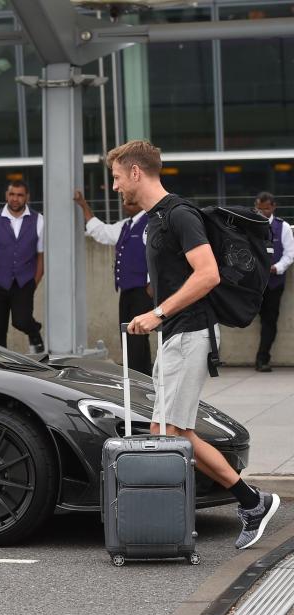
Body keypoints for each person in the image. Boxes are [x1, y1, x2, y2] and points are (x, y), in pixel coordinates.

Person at [115, 139, 280, 550]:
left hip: (188, 333)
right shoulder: (157, 219)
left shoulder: (178, 214)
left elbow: (207, 274)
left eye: (117, 178)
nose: (115, 187)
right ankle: (242, 502)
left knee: (168, 431)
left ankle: (243, 503)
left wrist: (159, 313)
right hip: (178, 334)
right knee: (171, 431)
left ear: (136, 172)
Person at [74, 190, 153, 376]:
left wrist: (151, 286)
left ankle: (137, 378)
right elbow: (101, 232)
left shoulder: (149, 224)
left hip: (142, 291)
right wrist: (83, 206)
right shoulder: (125, 225)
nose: (127, 205)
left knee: (136, 340)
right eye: (125, 202)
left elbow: (155, 256)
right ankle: (140, 377)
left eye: (131, 202)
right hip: (126, 291)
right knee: (128, 337)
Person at [0, 180, 45, 352]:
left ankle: (34, 330)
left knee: (21, 320)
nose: (15, 199)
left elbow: (40, 256)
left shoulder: (39, 221)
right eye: (12, 194)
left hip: (23, 282)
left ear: (27, 197)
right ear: (7, 196)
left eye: (20, 195)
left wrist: (32, 283)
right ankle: (1, 368)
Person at [253, 191, 293, 372]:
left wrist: (277, 268)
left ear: (273, 207)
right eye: (259, 209)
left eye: (266, 209)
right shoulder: (251, 225)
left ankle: (262, 358)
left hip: (274, 283)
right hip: (255, 284)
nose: (262, 212)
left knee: (269, 321)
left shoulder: (282, 227)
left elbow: (290, 254)